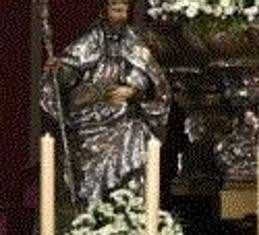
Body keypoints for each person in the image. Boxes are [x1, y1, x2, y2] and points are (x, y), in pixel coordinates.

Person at [40, 0, 169, 204]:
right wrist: (58, 69)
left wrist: (133, 89)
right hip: (89, 114)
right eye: (116, 10)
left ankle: (126, 203)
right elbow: (68, 73)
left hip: (122, 115)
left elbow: (146, 73)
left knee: (136, 133)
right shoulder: (90, 41)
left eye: (125, 11)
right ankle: (93, 203)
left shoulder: (133, 42)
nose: (122, 16)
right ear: (104, 11)